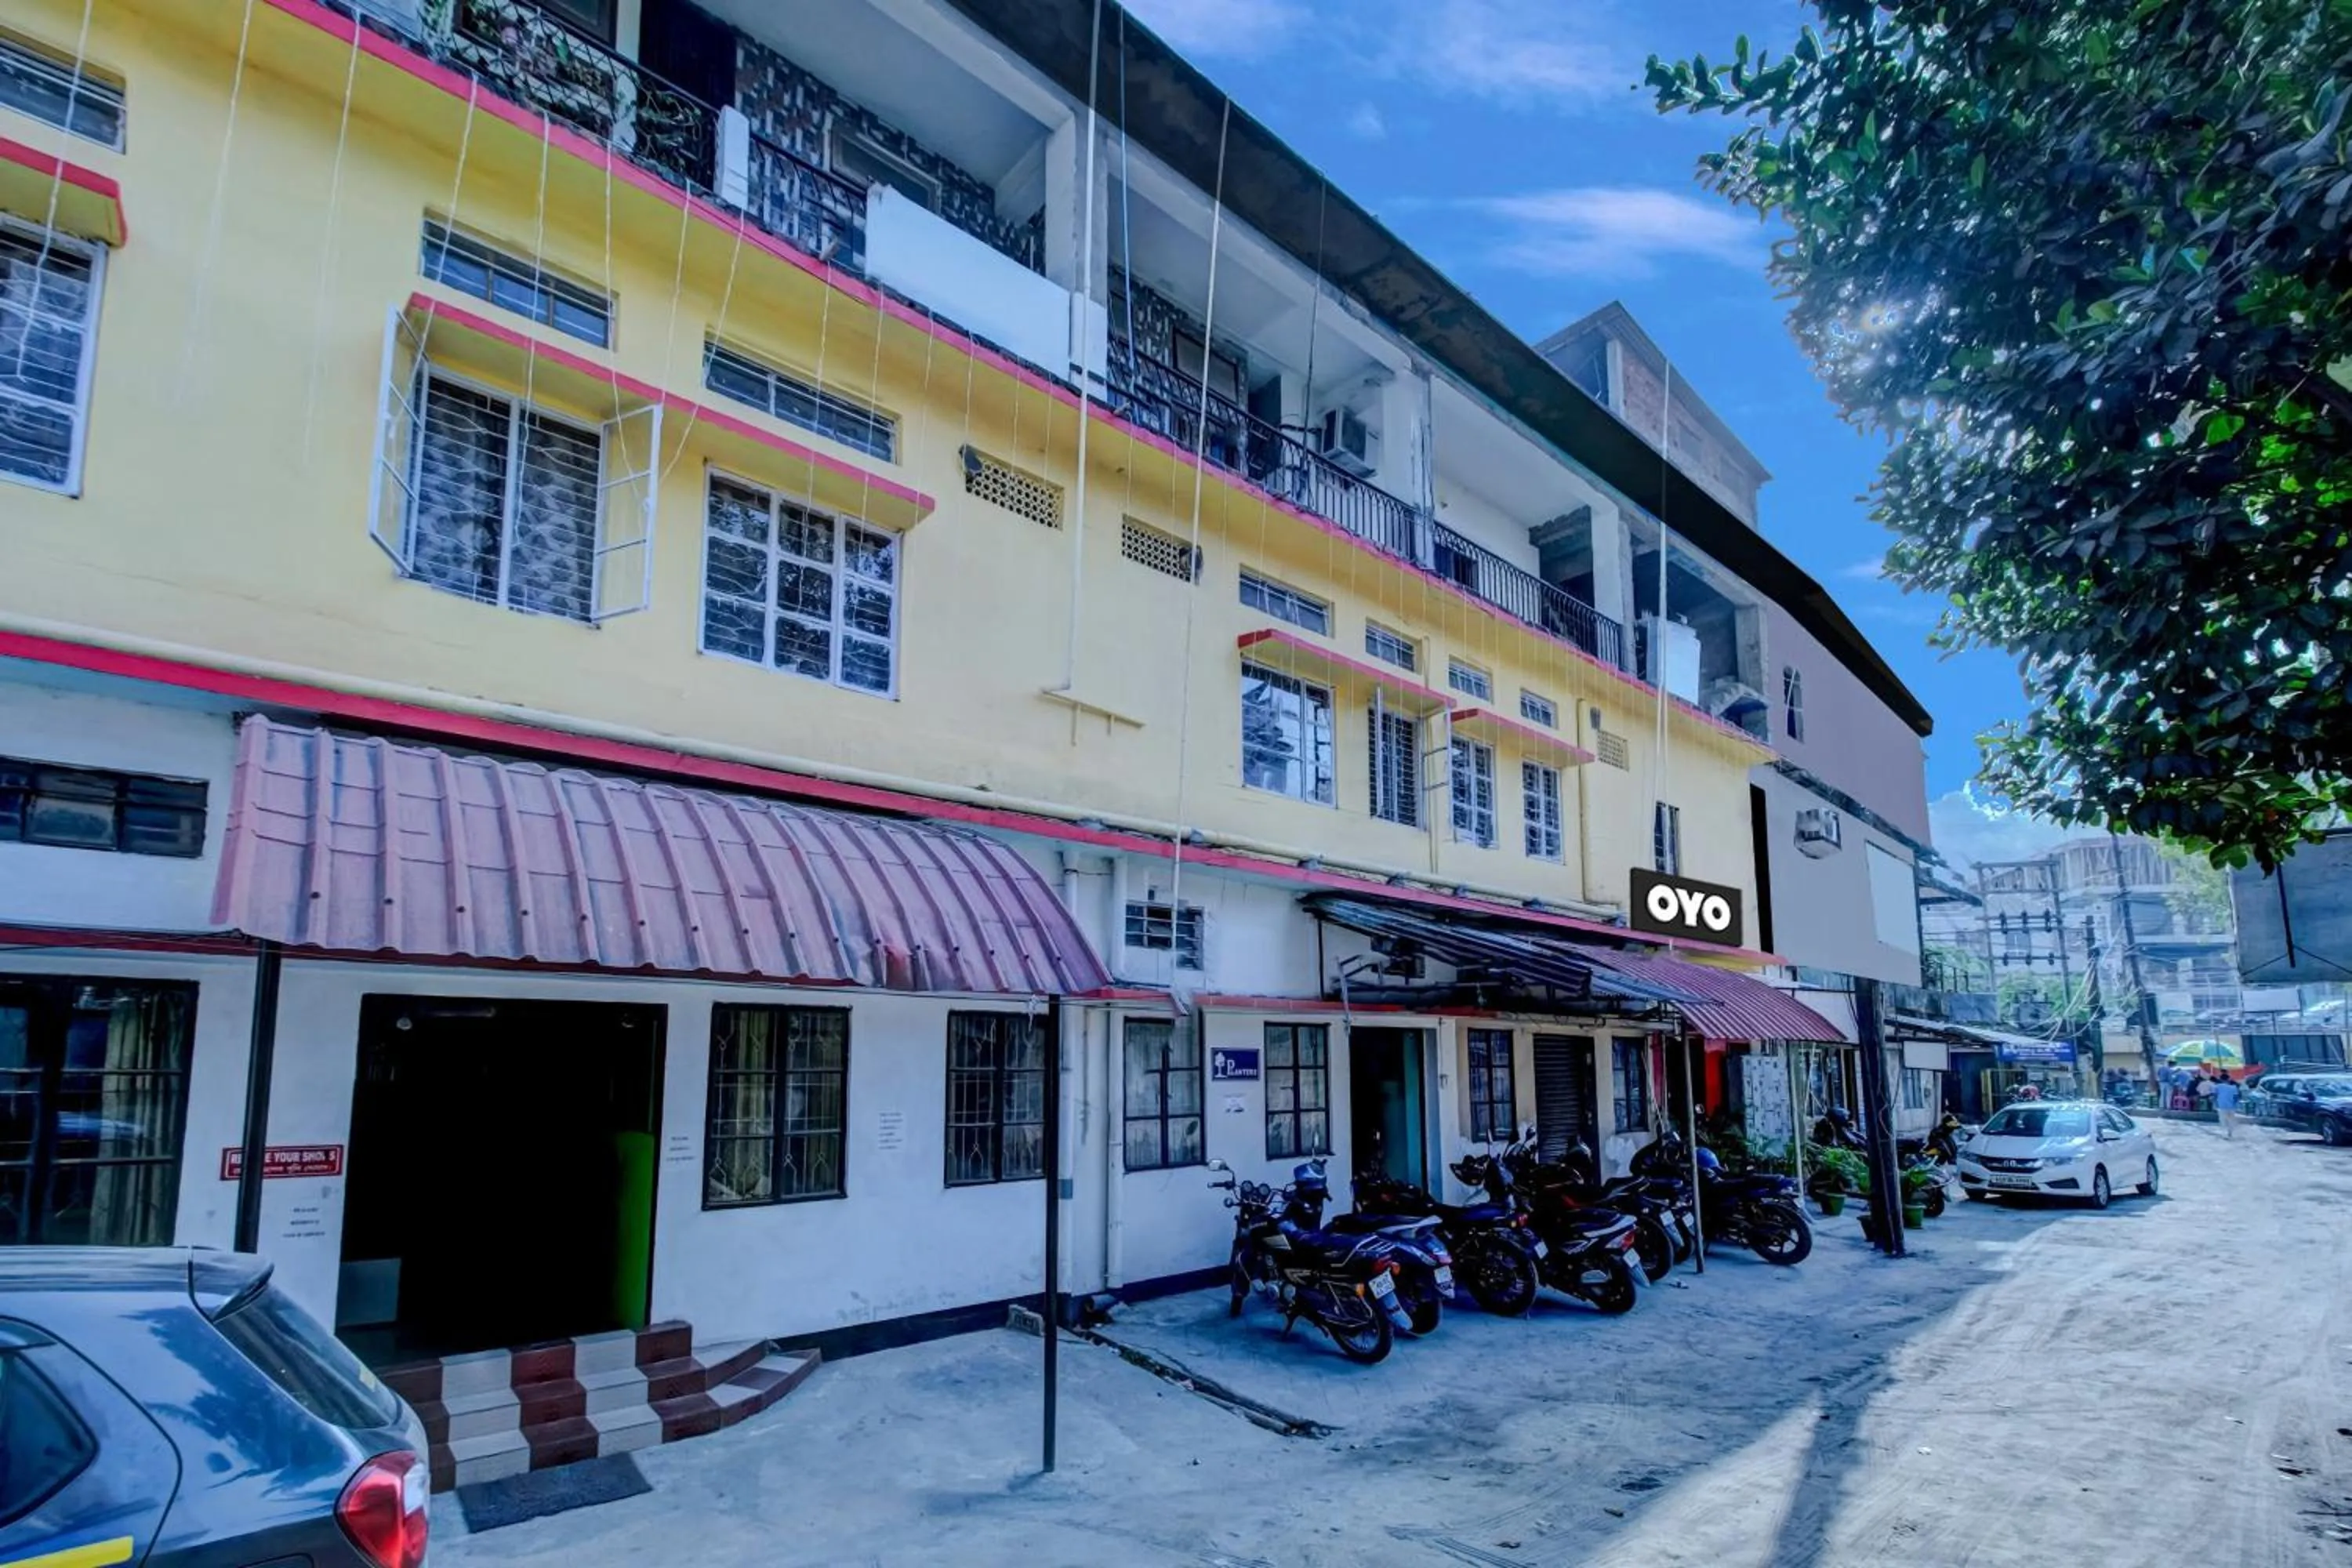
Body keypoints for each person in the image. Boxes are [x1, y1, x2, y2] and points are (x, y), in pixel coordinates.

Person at [2212, 1071, 2242, 1138]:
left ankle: (2225, 1134)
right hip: (2231, 1106)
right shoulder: (2234, 1087)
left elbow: (2215, 1096)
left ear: (2220, 1079)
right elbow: (2236, 1098)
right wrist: (2235, 1105)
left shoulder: (2217, 1087)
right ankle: (2230, 1133)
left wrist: (2214, 1104)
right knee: (2231, 1120)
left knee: (2223, 1120)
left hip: (2222, 1106)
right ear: (2229, 1079)